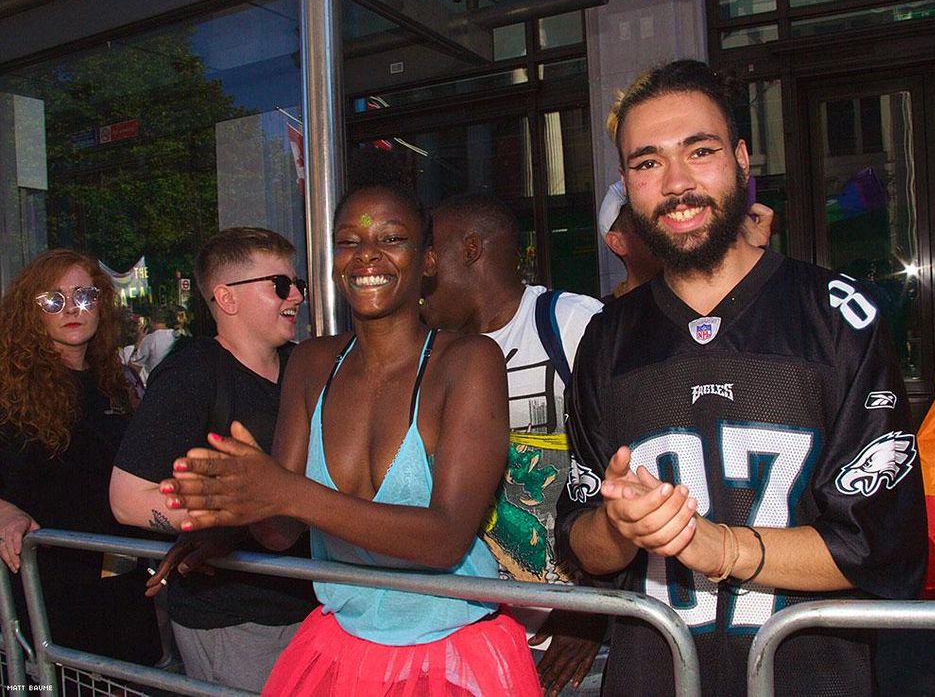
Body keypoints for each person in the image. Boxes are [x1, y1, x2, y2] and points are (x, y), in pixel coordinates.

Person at [556, 60, 928, 696]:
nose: (676, 183)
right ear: (626, 185)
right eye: (647, 163)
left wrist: (722, 547)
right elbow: (580, 548)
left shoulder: (840, 318)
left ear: (742, 159)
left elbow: (877, 545)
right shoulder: (606, 340)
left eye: (699, 151)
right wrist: (619, 525)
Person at [157, 184, 542, 696]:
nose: (367, 256)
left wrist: (286, 491)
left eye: (392, 238)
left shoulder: (469, 361)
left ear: (427, 259)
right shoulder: (312, 363)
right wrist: (233, 509)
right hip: (339, 648)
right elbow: (281, 531)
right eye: (348, 241)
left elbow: (446, 536)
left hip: (449, 654)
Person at [109, 228, 316, 691]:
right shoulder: (192, 374)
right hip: (236, 618)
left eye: (297, 282)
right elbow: (127, 497)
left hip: (313, 605)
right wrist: (213, 523)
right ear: (227, 298)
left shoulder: (303, 365)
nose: (297, 295)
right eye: (279, 285)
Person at [420, 193, 607, 696]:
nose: (417, 270)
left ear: (472, 249)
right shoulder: (432, 353)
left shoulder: (570, 324)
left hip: (568, 641)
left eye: (429, 253)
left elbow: (631, 470)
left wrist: (593, 612)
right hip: (469, 629)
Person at [0, 249, 162, 673]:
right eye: (53, 300)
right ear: (30, 312)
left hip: (122, 586)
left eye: (84, 296)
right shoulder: (9, 388)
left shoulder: (116, 381)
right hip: (46, 594)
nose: (71, 309)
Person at [596, 180, 775, 301]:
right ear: (618, 243)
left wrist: (753, 254)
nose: (662, 223)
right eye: (640, 220)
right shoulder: (603, 323)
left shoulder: (707, 302)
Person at [129, 306, 177, 378]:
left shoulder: (150, 339)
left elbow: (134, 369)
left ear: (150, 320)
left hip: (157, 383)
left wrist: (138, 343)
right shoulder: (178, 336)